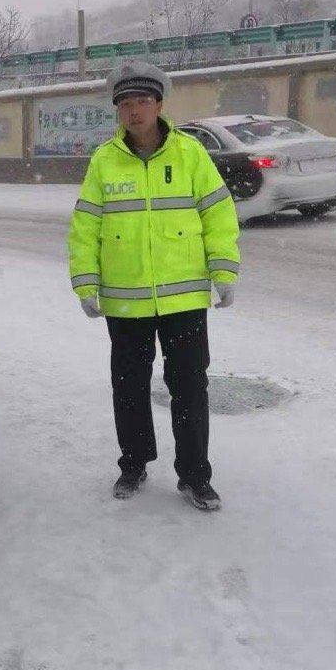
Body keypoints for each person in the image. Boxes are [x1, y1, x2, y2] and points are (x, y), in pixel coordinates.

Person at [66, 59, 240, 511]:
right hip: (126, 301)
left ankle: (195, 476)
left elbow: (218, 214)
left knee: (189, 385)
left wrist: (224, 271)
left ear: (159, 104)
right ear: (117, 111)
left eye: (142, 100)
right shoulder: (105, 161)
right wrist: (86, 282)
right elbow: (86, 225)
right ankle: (134, 462)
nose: (134, 109)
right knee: (128, 386)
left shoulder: (190, 154)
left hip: (182, 297)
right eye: (125, 102)